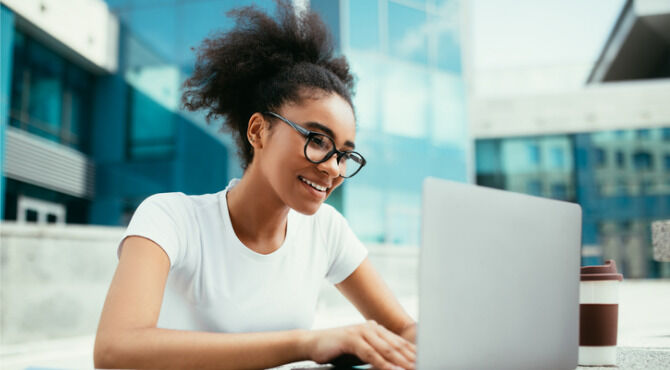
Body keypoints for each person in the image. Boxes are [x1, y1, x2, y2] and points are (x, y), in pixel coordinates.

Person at [94, 1, 416, 369]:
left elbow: (403, 329)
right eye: (317, 140)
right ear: (259, 131)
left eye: (344, 155)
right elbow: (115, 350)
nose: (332, 168)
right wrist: (306, 344)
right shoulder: (171, 218)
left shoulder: (326, 230)